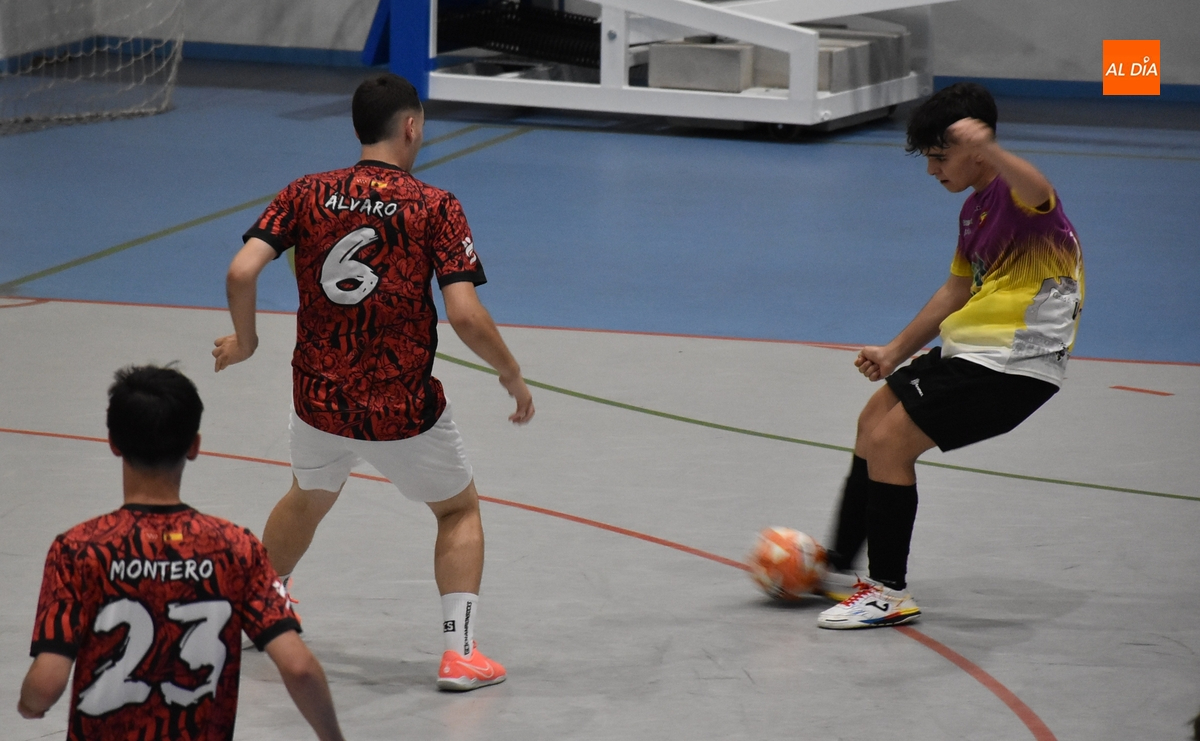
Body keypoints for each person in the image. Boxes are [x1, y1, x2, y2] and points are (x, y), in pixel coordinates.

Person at [212, 72, 534, 690]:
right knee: (457, 509)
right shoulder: (435, 206)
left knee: (308, 493)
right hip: (401, 410)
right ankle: (461, 653)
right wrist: (511, 373)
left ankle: (259, 609)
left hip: (318, 400)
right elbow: (465, 314)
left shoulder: (305, 192)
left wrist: (245, 342)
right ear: (410, 127)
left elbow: (240, 271)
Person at [814, 82, 1085, 629]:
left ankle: (888, 592)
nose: (932, 169)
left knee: (891, 443)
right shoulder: (972, 212)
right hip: (971, 351)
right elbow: (956, 290)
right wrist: (894, 351)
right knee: (872, 422)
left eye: (941, 156)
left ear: (978, 150)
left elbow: (1039, 187)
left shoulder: (1020, 197)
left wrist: (994, 149)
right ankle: (837, 565)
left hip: (1013, 363)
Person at [18, 365, 345, 740]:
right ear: (194, 446)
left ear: (113, 443)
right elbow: (300, 668)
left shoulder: (79, 549)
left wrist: (30, 705)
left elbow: (46, 683)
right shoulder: (235, 548)